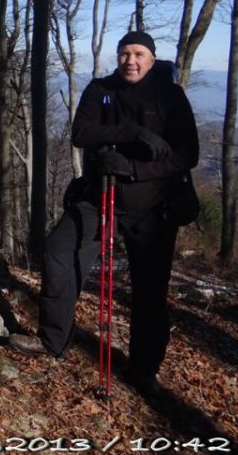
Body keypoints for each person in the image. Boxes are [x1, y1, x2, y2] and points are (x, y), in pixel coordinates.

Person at [13, 31, 199, 397]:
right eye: (125, 53)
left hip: (153, 204)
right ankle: (53, 340)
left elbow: (186, 154)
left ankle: (144, 369)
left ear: (151, 58)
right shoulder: (100, 89)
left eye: (139, 54)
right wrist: (131, 132)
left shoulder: (171, 96)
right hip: (98, 196)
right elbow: (82, 132)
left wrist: (132, 167)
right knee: (58, 253)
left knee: (149, 289)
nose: (131, 60)